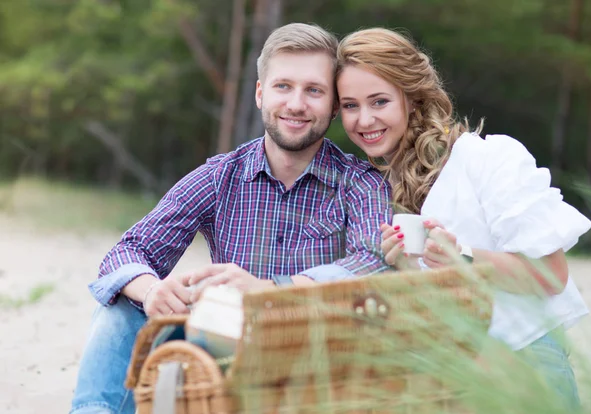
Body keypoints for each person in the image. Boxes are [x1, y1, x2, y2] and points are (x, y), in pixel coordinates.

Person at [70, 23, 393, 414]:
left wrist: (272, 291)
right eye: (283, 86)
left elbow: (372, 260)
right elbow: (129, 250)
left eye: (314, 90)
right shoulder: (221, 176)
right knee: (122, 304)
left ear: (333, 106)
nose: (296, 104)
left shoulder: (359, 183)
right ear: (260, 94)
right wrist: (153, 290)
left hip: (313, 359)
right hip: (222, 349)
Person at [335, 27, 591, 410]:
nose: (365, 119)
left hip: (524, 371)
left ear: (411, 98)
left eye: (379, 101)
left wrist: (464, 256)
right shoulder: (376, 191)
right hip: (445, 384)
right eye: (350, 106)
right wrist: (404, 266)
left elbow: (551, 275)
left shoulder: (484, 159)